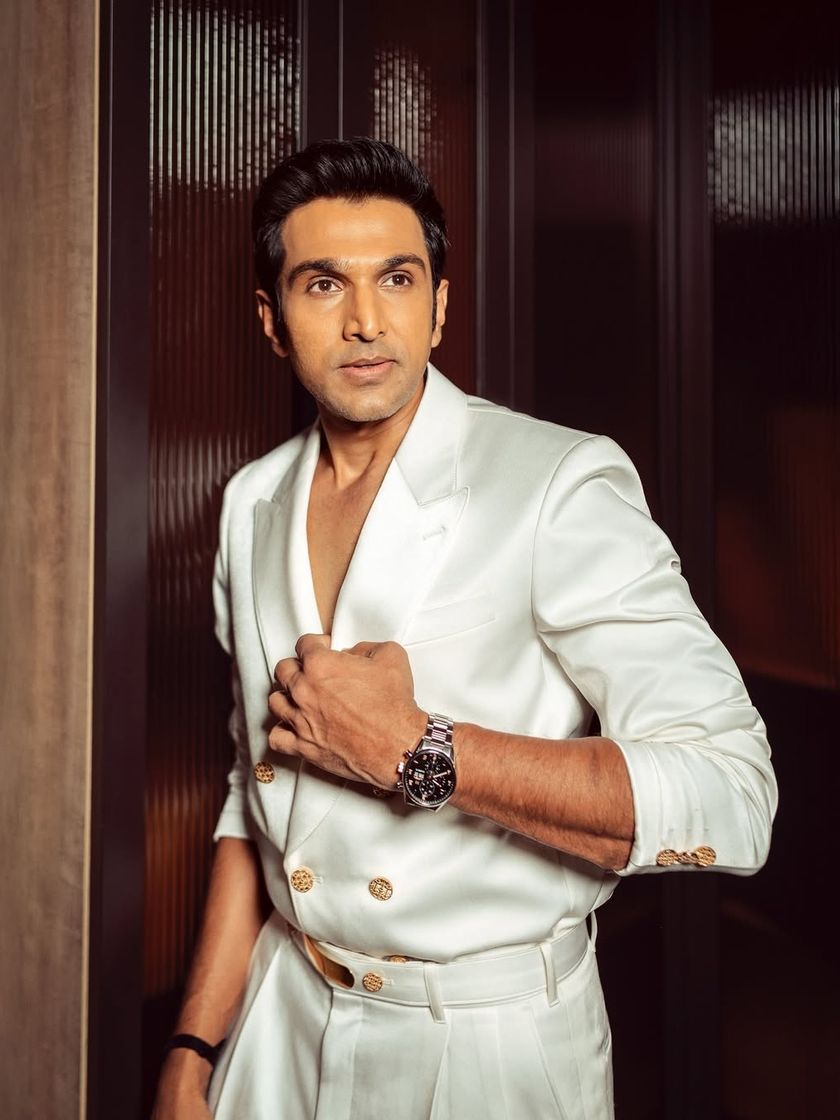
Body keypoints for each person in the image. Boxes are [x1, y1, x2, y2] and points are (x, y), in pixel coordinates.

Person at [152, 138, 777, 1120]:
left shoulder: (557, 483)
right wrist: (194, 1049)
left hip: (485, 1047)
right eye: (324, 284)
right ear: (272, 321)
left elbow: (730, 795)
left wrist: (421, 751)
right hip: (279, 1023)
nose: (366, 320)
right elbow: (251, 791)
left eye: (397, 279)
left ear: (440, 306)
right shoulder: (250, 501)